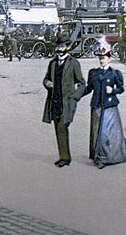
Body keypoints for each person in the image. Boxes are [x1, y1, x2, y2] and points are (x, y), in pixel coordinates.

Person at [77, 41, 126, 169]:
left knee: (107, 133)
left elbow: (121, 89)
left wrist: (112, 91)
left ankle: (104, 157)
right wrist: (76, 95)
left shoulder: (115, 73)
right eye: (100, 58)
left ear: (109, 58)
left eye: (103, 58)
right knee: (98, 131)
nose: (101, 60)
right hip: (97, 105)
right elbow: (89, 88)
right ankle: (100, 156)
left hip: (110, 106)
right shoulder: (93, 73)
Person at [42, 33, 84, 167]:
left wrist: (75, 97)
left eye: (62, 46)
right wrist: (47, 83)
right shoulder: (52, 63)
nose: (59, 49)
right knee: (58, 129)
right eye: (58, 47)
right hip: (54, 101)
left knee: (62, 127)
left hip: (67, 102)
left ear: (67, 47)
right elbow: (46, 78)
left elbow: (82, 83)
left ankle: (65, 158)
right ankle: (63, 157)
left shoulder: (73, 63)